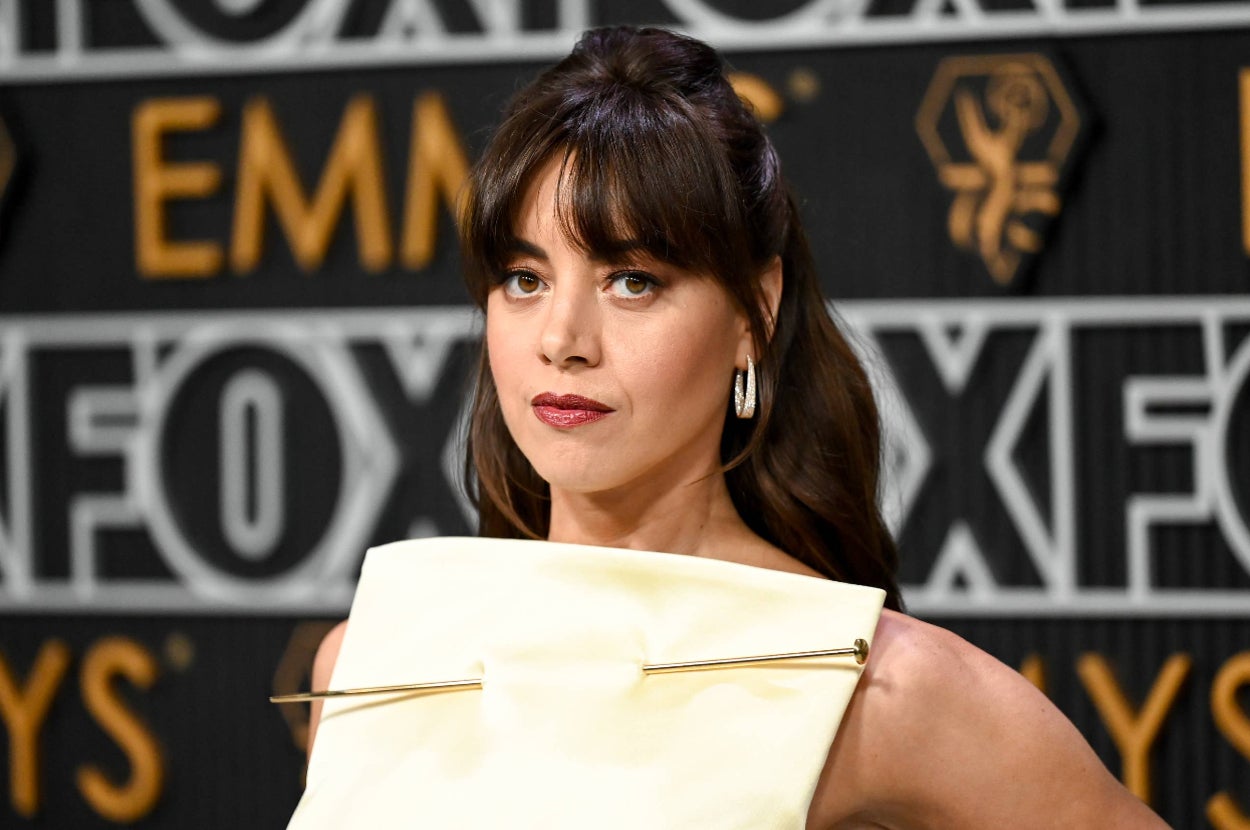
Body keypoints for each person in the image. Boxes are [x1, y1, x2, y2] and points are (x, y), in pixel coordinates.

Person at [306, 26, 1168, 828]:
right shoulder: (370, 658)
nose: (562, 340)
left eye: (632, 280)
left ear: (755, 311)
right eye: (525, 280)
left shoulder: (870, 686)